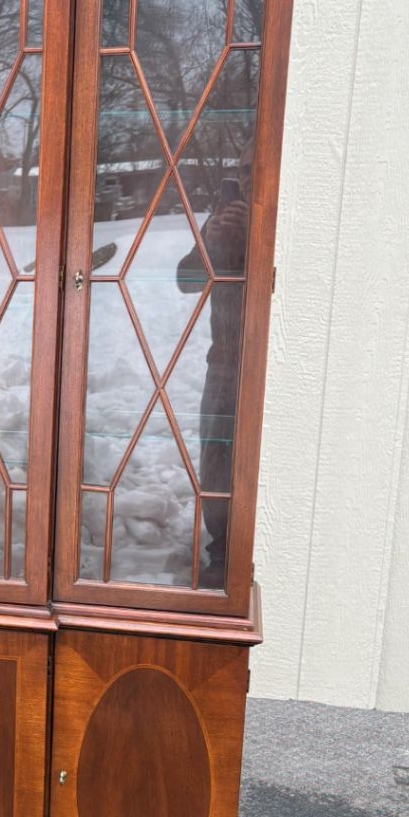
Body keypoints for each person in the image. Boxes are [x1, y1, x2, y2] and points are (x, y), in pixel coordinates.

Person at [175, 176, 248, 585]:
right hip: (221, 361)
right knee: (216, 455)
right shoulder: (220, 218)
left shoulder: (276, 217)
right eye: (241, 169)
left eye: (254, 169)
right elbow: (188, 281)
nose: (247, 177)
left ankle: (250, 550)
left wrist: (252, 232)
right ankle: (221, 554)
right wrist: (215, 244)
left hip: (267, 356)